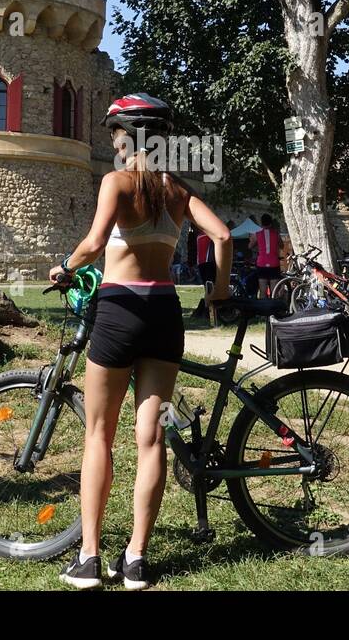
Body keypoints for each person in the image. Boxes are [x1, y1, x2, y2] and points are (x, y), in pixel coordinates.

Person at [49, 94, 231, 590]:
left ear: (127, 137)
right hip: (163, 314)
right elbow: (222, 237)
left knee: (98, 436)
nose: (113, 144)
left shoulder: (117, 183)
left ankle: (88, 558)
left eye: (115, 136)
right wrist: (216, 293)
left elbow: (93, 243)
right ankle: (135, 560)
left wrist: (64, 268)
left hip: (119, 311)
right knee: (150, 439)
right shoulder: (178, 191)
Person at [252, 214, 283, 297]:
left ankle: (264, 308)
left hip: (261, 263)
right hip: (274, 263)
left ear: (261, 223)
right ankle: (274, 308)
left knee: (262, 291)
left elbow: (250, 246)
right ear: (271, 223)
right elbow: (282, 245)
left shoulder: (257, 234)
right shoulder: (276, 234)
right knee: (274, 291)